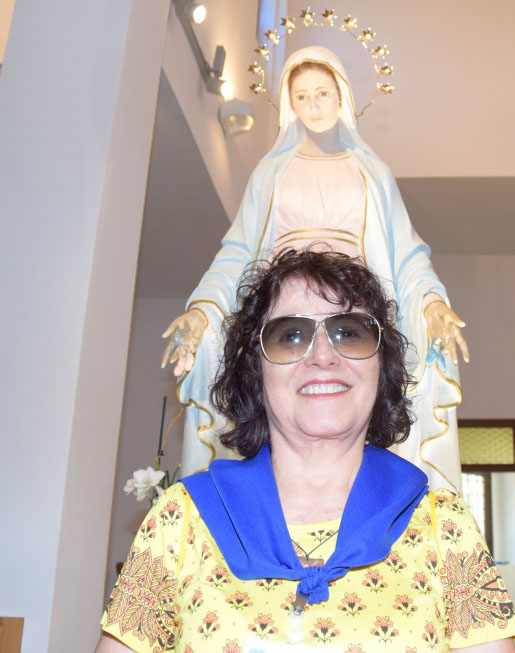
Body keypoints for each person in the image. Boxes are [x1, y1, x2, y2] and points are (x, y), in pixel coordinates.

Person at [98, 250, 515, 652]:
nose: (322, 355)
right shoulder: (181, 520)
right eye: (291, 336)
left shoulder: (444, 526)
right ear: (256, 371)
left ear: (381, 367)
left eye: (349, 333)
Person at [161, 46, 469, 491]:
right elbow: (238, 253)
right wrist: (203, 310)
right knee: (282, 407)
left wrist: (432, 303)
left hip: (352, 305)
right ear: (289, 104)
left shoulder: (372, 172)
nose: (314, 105)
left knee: (354, 405)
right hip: (287, 308)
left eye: (322, 93)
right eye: (301, 96)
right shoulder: (271, 172)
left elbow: (405, 254)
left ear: (342, 96)